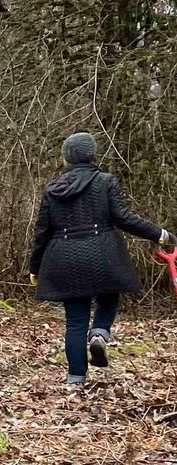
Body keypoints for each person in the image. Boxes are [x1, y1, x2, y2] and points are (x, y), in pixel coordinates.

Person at [29, 131, 171, 389]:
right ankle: (100, 333)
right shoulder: (105, 181)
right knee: (108, 296)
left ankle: (75, 380)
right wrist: (160, 234)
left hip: (64, 258)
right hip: (103, 255)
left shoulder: (53, 190)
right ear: (92, 154)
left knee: (74, 321)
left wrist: (34, 267)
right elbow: (124, 218)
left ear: (67, 158)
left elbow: (42, 233)